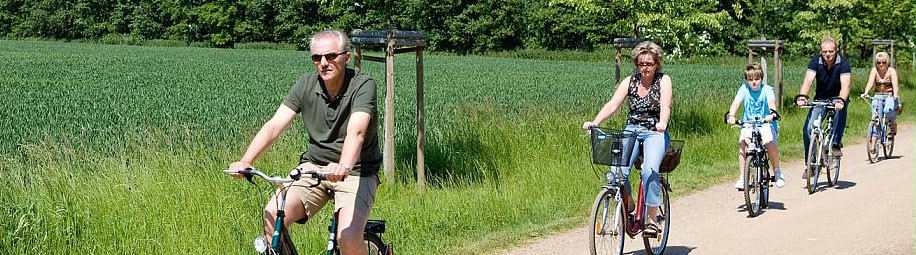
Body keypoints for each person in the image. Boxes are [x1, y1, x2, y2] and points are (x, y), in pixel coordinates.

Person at [227, 29, 382, 255]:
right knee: (272, 217)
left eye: (331, 56)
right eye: (316, 58)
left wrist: (343, 165)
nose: (323, 63)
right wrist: (246, 160)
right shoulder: (306, 84)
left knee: (347, 238)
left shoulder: (363, 85)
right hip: (313, 168)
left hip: (356, 171)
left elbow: (357, 131)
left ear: (346, 58)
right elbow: (275, 125)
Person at [582, 41, 672, 236]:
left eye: (649, 63)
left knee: (649, 171)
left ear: (657, 63)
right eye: (641, 64)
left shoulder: (663, 80)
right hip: (631, 130)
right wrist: (595, 122)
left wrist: (662, 123)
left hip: (654, 132)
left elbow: (665, 106)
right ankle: (629, 202)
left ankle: (651, 220)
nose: (645, 67)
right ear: (636, 64)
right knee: (616, 174)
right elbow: (613, 104)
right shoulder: (630, 81)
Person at [795, 36, 850, 178]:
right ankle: (811, 164)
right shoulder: (815, 61)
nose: (827, 54)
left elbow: (846, 86)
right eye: (824, 51)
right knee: (808, 129)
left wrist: (841, 100)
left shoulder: (843, 62)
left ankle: (836, 144)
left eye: (831, 51)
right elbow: (808, 80)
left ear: (836, 51)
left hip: (837, 97)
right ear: (821, 51)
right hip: (821, 99)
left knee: (841, 110)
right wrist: (802, 96)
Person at [726, 63, 784, 189]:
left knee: (769, 143)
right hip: (748, 123)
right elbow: (736, 103)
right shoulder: (743, 89)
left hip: (765, 123)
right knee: (743, 145)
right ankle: (743, 177)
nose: (754, 82)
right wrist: (731, 116)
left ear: (761, 78)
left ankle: (778, 172)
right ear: (747, 80)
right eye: (750, 79)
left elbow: (771, 103)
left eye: (757, 79)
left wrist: (772, 114)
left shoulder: (767, 89)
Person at [860, 51, 900, 144]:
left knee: (887, 110)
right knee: (875, 116)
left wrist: (896, 95)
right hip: (877, 95)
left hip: (889, 95)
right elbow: (870, 82)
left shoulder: (891, 71)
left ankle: (892, 124)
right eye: (878, 62)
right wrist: (865, 92)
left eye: (883, 62)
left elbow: (895, 84)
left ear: (887, 62)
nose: (881, 64)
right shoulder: (874, 70)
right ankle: (873, 142)